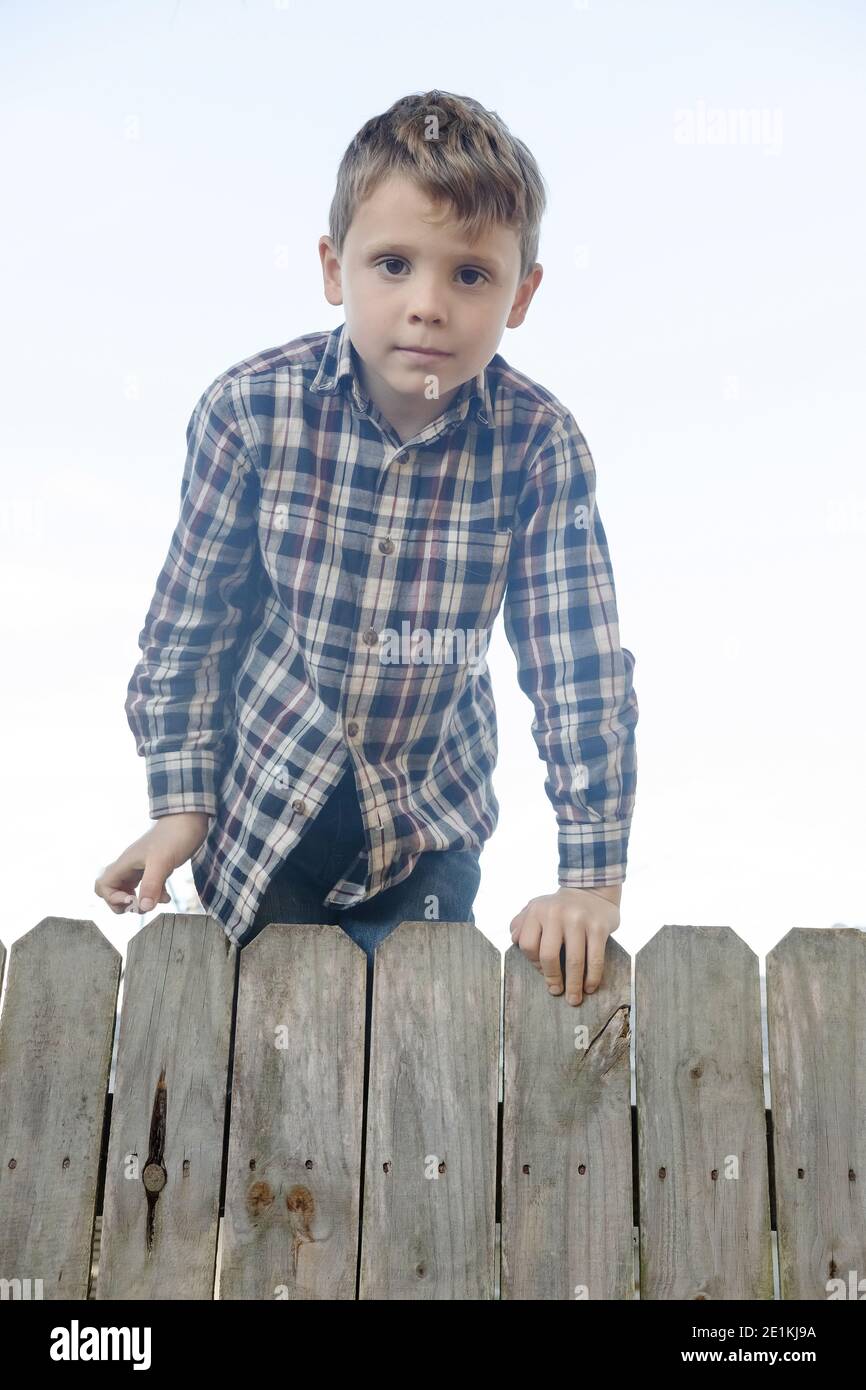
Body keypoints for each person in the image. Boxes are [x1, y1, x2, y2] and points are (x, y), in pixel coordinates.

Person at [95, 89, 638, 1007]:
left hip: (426, 831)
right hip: (261, 817)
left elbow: (576, 666)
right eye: (393, 264)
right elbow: (191, 625)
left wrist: (590, 879)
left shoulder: (539, 445)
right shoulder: (249, 412)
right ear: (333, 269)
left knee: (414, 1070)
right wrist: (179, 803)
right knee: (256, 1071)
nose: (428, 306)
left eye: (471, 275)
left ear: (523, 295)